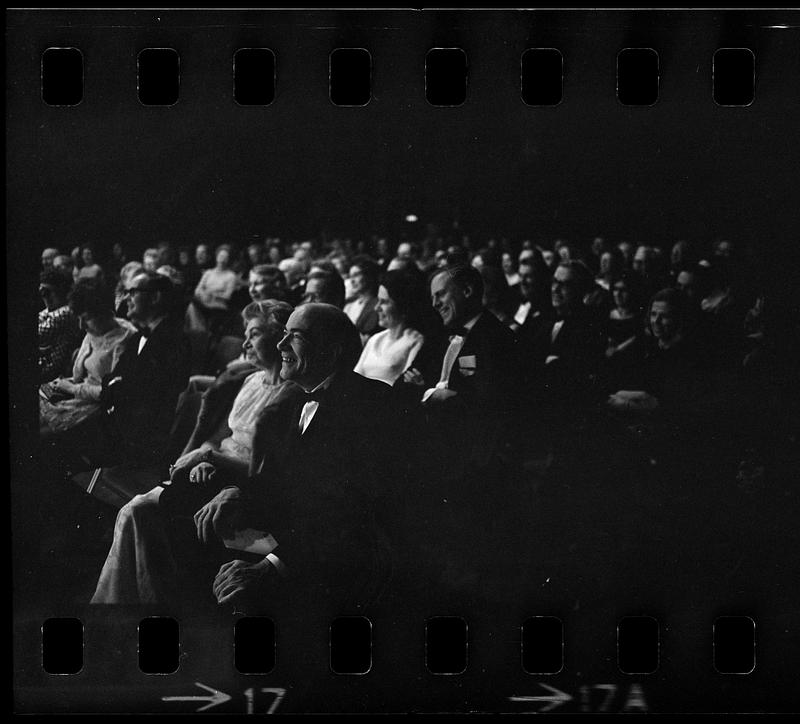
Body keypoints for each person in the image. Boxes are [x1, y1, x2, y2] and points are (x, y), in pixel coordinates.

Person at [94, 303, 396, 614]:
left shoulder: (369, 406)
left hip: (327, 559)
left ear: (330, 352)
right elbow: (287, 480)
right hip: (284, 524)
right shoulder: (297, 399)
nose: (281, 344)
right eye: (283, 334)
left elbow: (346, 518)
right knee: (154, 514)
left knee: (168, 528)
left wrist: (271, 566)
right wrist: (241, 493)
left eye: (296, 336)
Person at [91, 299, 293, 604]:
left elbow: (267, 466)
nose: (246, 341)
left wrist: (209, 458)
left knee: (139, 512)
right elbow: (223, 436)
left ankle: (133, 606)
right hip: (213, 471)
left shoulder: (291, 393)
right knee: (136, 511)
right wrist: (208, 455)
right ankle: (131, 603)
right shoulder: (251, 380)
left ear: (279, 339)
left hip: (242, 484)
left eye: (254, 333)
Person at [95, 271, 191, 466]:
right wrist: (119, 386)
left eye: (132, 292)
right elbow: (111, 380)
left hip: (142, 441)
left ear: (155, 297)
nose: (126, 299)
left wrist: (119, 386)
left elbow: (154, 399)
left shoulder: (175, 340)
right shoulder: (138, 337)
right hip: (122, 425)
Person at [40, 279, 136, 436]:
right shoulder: (94, 329)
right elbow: (80, 375)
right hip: (78, 394)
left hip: (100, 406)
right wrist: (65, 385)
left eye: (86, 318)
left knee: (39, 431)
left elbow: (114, 393)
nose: (81, 326)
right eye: (78, 318)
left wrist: (71, 388)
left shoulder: (126, 339)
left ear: (105, 312)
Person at [354, 269, 429, 386]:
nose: (376, 308)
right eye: (378, 301)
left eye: (384, 302)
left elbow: (406, 384)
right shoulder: (375, 339)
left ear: (402, 305)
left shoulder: (415, 341)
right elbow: (355, 377)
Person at [185, 244, 240, 335]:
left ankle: (200, 333)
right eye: (221, 256)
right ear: (216, 257)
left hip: (219, 305)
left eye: (226, 257)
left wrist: (211, 294)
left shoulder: (231, 276)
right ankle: (197, 332)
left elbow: (227, 296)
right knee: (191, 304)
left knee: (193, 307)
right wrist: (204, 294)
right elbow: (197, 290)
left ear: (229, 260)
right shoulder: (208, 273)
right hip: (203, 302)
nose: (222, 259)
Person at [38, 268, 81, 382]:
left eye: (47, 292)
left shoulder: (67, 312)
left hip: (52, 371)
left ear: (61, 290)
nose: (44, 296)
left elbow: (38, 333)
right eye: (42, 292)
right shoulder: (49, 311)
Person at [344, 256, 381, 342]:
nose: (352, 280)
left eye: (356, 275)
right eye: (350, 276)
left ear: (369, 276)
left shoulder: (377, 304)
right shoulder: (349, 304)